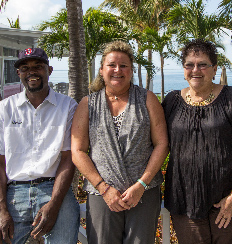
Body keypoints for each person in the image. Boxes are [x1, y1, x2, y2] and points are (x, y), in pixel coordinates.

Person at [161, 39, 232, 244]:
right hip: (185, 202)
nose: (195, 69)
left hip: (227, 203)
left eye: (202, 64)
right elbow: (158, 145)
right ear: (183, 69)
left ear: (214, 69)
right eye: (189, 64)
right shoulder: (171, 101)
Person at [71, 40, 168, 244]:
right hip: (102, 194)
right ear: (102, 70)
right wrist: (104, 188)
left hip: (144, 192)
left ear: (131, 71)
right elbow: (78, 151)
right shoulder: (88, 104)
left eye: (123, 65)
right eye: (112, 65)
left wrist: (141, 184)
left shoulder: (147, 99)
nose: (117, 70)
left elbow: (162, 144)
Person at [0, 48, 80, 244]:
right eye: (25, 68)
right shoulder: (5, 108)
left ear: (49, 70)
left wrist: (54, 203)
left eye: (38, 67)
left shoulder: (68, 106)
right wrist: (0, 210)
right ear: (19, 73)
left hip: (55, 189)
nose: (31, 72)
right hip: (14, 193)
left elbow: (69, 158)